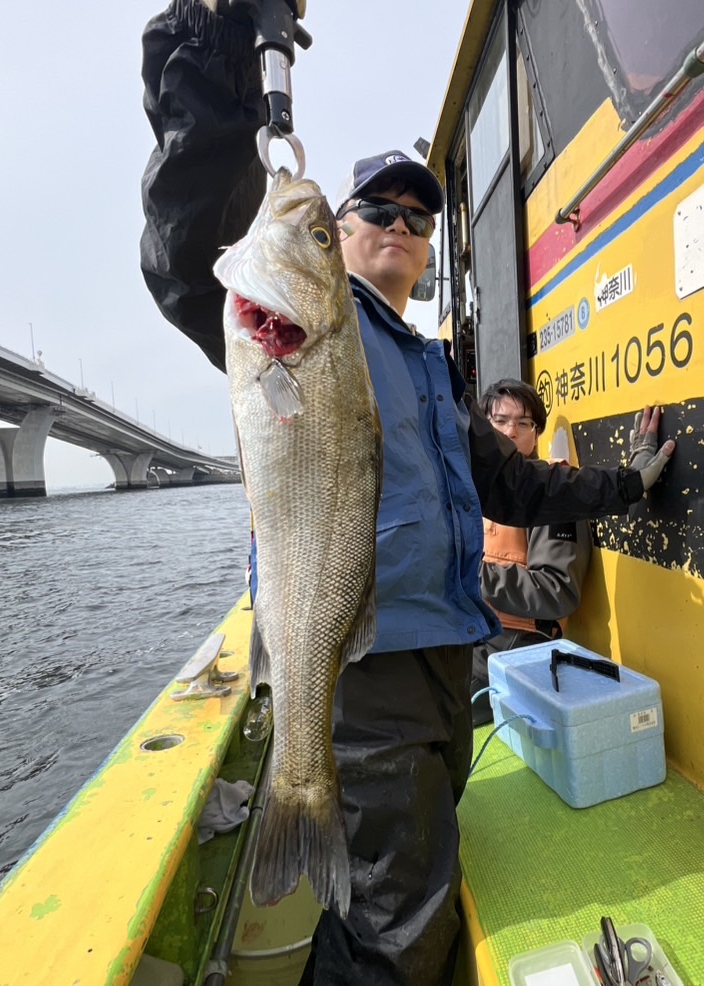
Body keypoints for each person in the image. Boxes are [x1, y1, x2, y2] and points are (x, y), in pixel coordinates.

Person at [139, 3, 675, 983]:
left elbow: (515, 480)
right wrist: (209, 55)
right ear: (340, 235)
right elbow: (187, 245)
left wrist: (626, 483)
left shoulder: (431, 366)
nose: (400, 226)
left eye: (419, 219)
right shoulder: (290, 323)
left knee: (397, 883)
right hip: (364, 667)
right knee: (404, 919)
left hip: (444, 655)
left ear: (430, 250)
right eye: (375, 212)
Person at [471, 379, 592, 726]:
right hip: (471, 634)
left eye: (523, 423)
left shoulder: (553, 493)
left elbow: (557, 592)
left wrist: (471, 576)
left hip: (515, 647)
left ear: (536, 434)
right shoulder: (472, 489)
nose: (511, 431)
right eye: (500, 421)